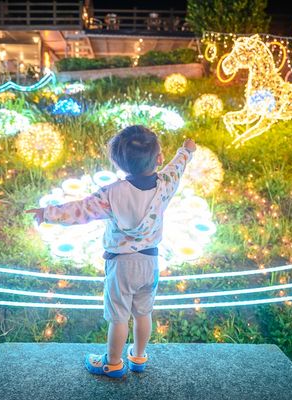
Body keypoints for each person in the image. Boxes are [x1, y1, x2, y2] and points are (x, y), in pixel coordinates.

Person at [26, 125, 196, 378]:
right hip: (151, 263)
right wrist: (186, 151)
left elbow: (81, 210)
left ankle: (113, 363)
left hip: (122, 266)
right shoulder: (166, 184)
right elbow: (177, 167)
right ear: (159, 158)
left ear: (118, 162)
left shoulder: (112, 194)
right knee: (143, 313)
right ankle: (138, 357)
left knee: (119, 317)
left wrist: (47, 213)